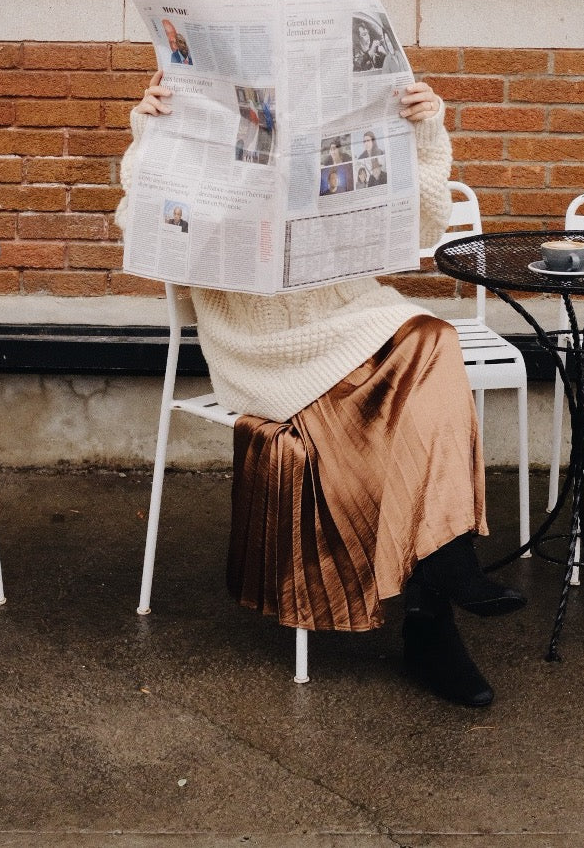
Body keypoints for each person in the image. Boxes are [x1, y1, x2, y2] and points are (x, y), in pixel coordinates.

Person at [117, 68, 525, 708]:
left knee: (435, 340)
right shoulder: (188, 131)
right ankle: (436, 595)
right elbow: (146, 230)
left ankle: (439, 572)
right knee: (394, 402)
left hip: (350, 314)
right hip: (259, 340)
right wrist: (150, 133)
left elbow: (417, 230)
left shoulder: (324, 134)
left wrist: (424, 131)